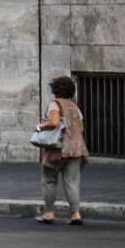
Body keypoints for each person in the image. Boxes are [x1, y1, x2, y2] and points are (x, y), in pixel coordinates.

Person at [34, 75, 90, 225]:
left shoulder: (55, 105)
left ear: (56, 91)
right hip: (77, 149)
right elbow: (81, 128)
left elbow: (53, 122)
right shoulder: (75, 107)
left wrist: (40, 126)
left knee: (49, 179)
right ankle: (76, 214)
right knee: (72, 182)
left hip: (58, 149)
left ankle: (49, 213)